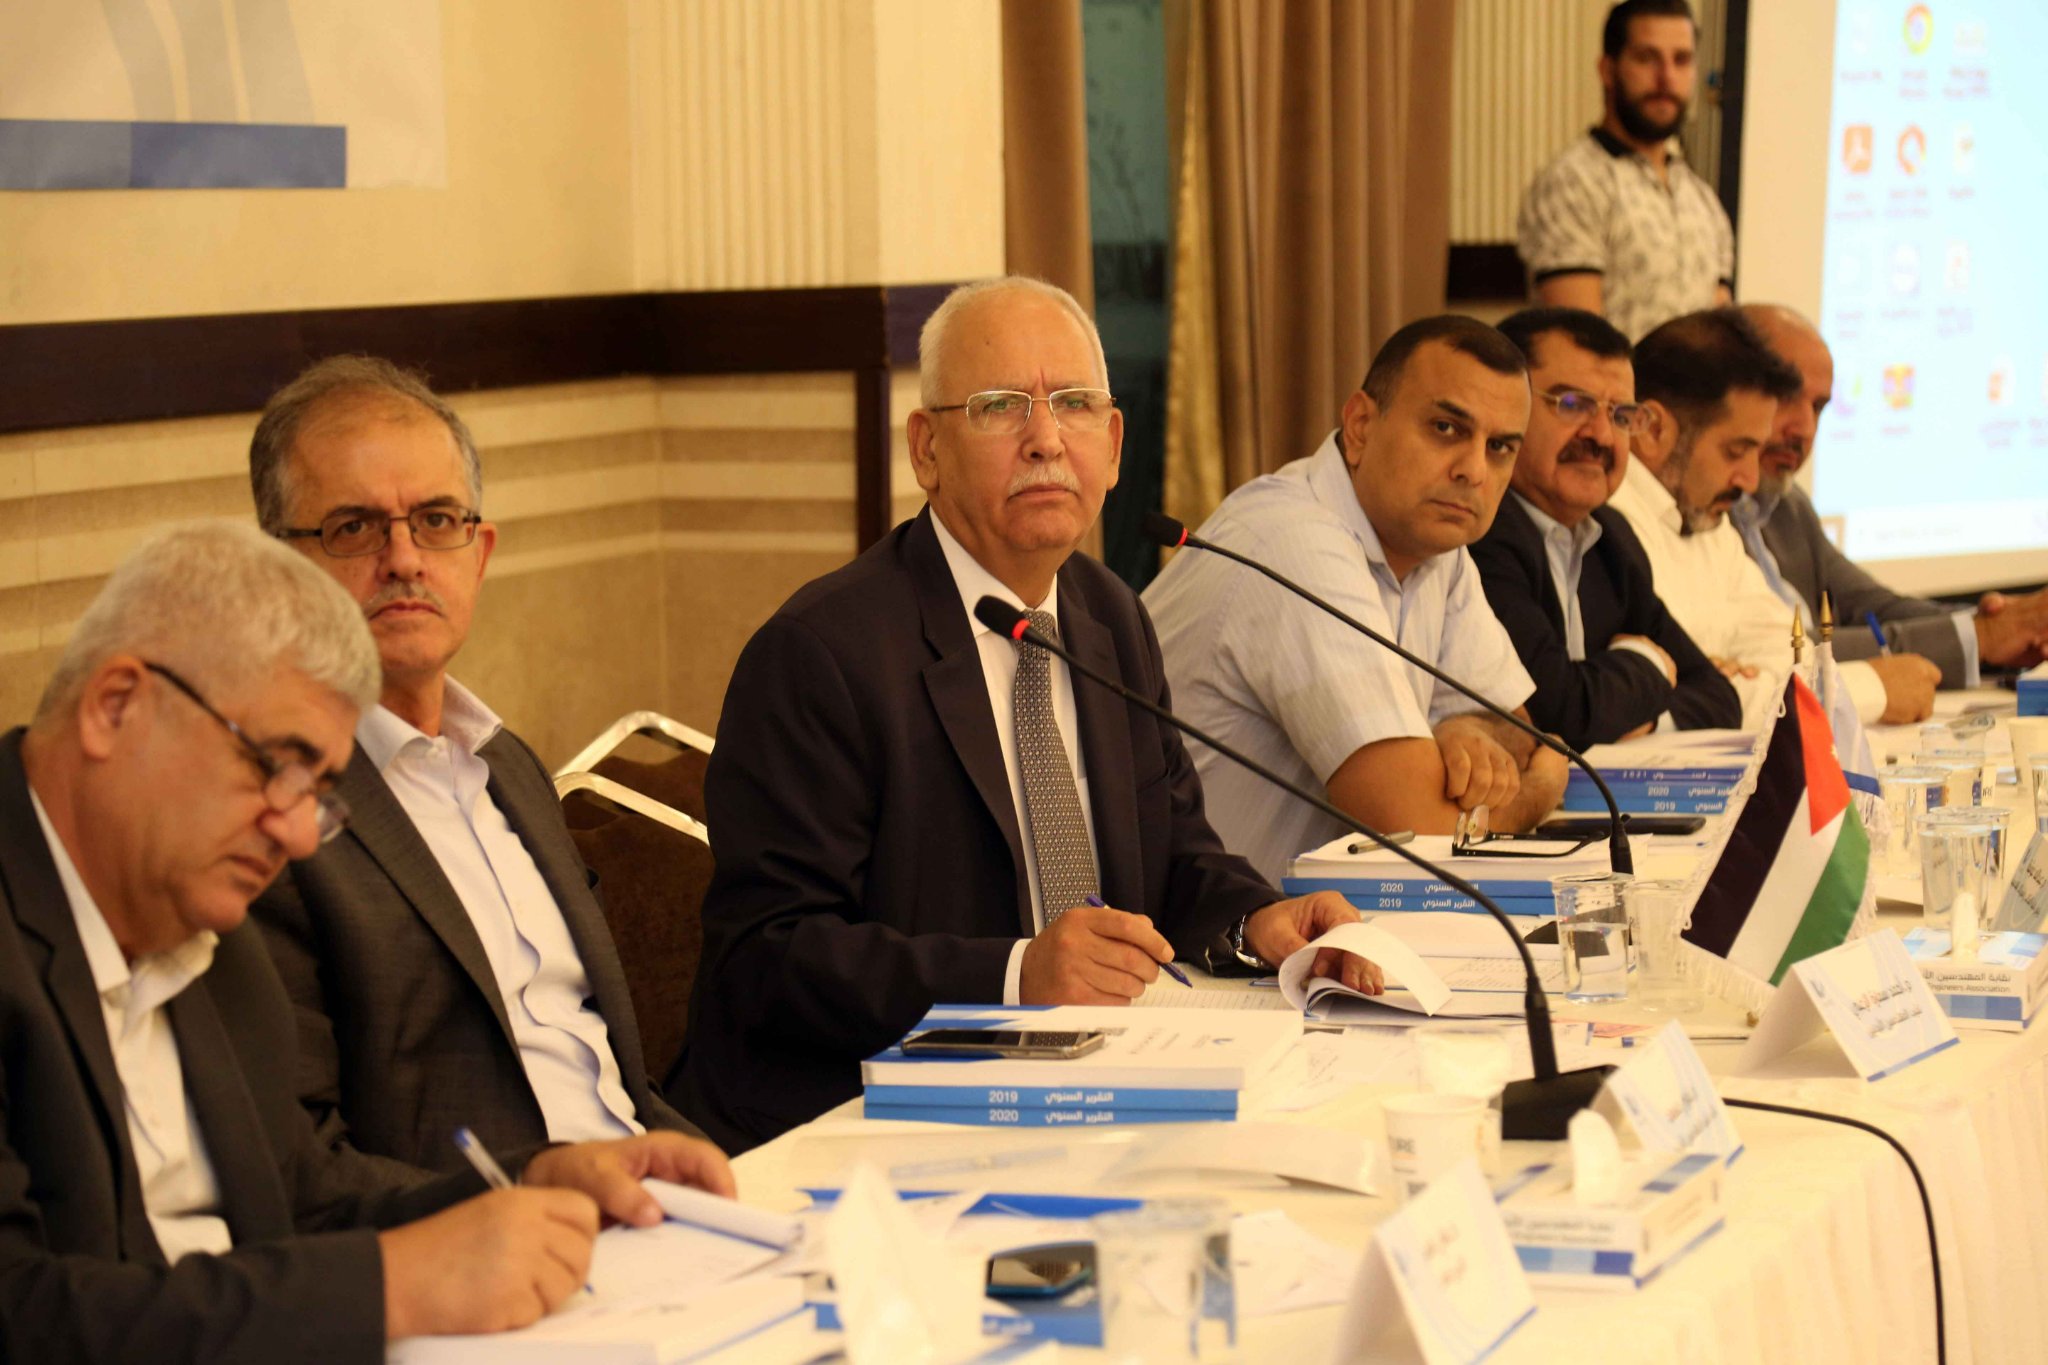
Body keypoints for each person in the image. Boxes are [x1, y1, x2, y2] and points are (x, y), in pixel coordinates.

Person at [670, 277, 1381, 1152]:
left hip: (1090, 1087)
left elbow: (1174, 857)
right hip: (865, 1119)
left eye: (1075, 404)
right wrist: (1015, 973)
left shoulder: (1110, 615)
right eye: (1001, 407)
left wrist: (1258, 921)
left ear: (1112, 447)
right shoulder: (822, 653)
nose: (1045, 439)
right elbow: (767, 956)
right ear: (926, 449)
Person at [0, 521, 734, 1363]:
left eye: (317, 792)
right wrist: (391, 1285)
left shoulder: (208, 934)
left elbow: (300, 1202)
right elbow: (21, 1308)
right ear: (116, 706)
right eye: (274, 766)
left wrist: (534, 1179)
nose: (296, 835)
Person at [247, 357, 704, 1179]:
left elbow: (616, 1080)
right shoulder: (262, 814)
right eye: (353, 528)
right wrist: (528, 1196)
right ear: (279, 570)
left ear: (478, 552)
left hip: (655, 1202)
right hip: (485, 1233)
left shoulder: (509, 767)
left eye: (435, 520)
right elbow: (299, 1166)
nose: (404, 558)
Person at [1143, 316, 1569, 885]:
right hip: (1181, 931)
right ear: (1362, 425)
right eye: (1446, 428)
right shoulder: (1292, 541)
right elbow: (1419, 833)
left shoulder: (1437, 548)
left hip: (1305, 921)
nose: (1473, 471)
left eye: (1499, 448)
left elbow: (1515, 731)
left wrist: (1460, 730)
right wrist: (1545, 786)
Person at [1605, 308, 1933, 729]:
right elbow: (1674, 703)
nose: (1750, 479)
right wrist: (1869, 688)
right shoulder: (1606, 525)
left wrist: (1721, 682)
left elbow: (1790, 653)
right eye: (1736, 451)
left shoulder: (1707, 519)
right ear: (1653, 433)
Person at [1736, 304, 2048, 687]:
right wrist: (1985, 636)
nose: (1805, 428)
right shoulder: (1701, 515)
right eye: (1785, 396)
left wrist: (2005, 625)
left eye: (1818, 407)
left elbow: (1872, 608)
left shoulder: (1787, 505)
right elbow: (1779, 651)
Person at [1470, 308, 1740, 747]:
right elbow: (1556, 715)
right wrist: (1648, 661)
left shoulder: (1610, 538)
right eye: (1573, 404)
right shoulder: (1481, 532)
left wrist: (1642, 720)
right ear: (1505, 408)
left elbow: (1719, 698)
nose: (1601, 435)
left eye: (1620, 415)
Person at [1516, 0, 1733, 341]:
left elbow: (1723, 341)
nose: (1667, 77)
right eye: (1647, 58)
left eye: (1681, 60)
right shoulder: (1572, 183)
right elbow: (1579, 348)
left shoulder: (1703, 199)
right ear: (1607, 70)